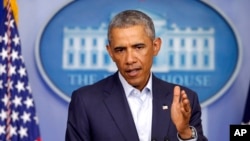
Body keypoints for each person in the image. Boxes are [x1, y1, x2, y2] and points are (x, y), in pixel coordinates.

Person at [65, 9, 208, 141]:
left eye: (138, 47)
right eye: (120, 50)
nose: (130, 59)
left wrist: (185, 133)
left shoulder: (184, 100)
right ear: (110, 52)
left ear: (155, 46)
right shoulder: (86, 101)